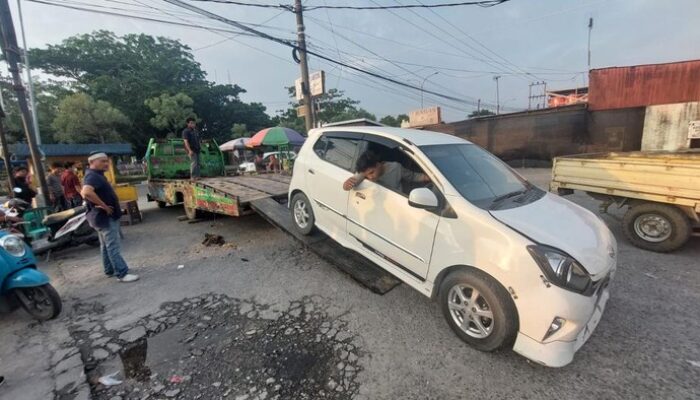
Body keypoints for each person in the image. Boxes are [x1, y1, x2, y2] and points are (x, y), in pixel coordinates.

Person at [81, 152, 139, 283]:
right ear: (92, 162)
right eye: (102, 161)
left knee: (106, 245)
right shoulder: (92, 176)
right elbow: (86, 192)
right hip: (105, 216)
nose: (106, 163)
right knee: (113, 246)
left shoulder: (95, 175)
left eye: (106, 161)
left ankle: (109, 270)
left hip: (101, 217)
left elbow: (84, 192)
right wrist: (104, 206)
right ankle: (122, 273)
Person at [343, 150, 430, 192]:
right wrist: (346, 185)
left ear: (378, 164)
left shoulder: (396, 167)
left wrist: (427, 177)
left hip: (397, 200)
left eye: (371, 172)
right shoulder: (364, 171)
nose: (370, 177)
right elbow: (349, 184)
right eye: (367, 176)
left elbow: (412, 176)